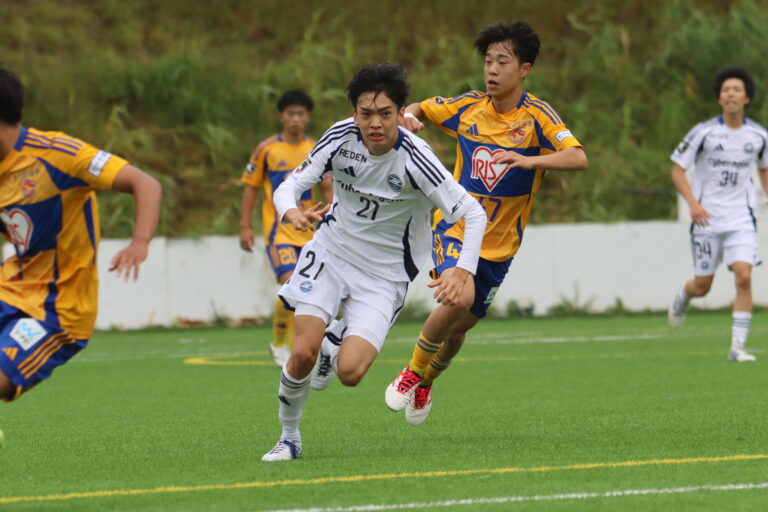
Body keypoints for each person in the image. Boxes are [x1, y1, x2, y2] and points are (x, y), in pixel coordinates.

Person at [261, 63, 487, 461]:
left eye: (385, 113)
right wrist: (290, 212)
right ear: (354, 113)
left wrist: (462, 270)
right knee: (302, 353)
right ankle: (289, 437)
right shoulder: (339, 137)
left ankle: (334, 343)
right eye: (366, 113)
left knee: (350, 373)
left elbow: (473, 213)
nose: (375, 123)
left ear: (400, 114)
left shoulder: (417, 158)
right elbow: (289, 186)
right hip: (331, 252)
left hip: (385, 275)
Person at [384, 21, 588, 425]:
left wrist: (531, 160)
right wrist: (407, 116)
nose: (492, 70)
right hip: (456, 226)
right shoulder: (469, 107)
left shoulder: (538, 116)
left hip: (500, 247)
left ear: (524, 69)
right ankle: (411, 371)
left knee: (459, 329)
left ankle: (426, 380)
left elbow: (577, 157)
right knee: (457, 299)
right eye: (488, 61)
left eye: (502, 61)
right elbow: (421, 107)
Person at [0, 67, 162, 405]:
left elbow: (145, 183)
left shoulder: (58, 153)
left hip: (58, 306)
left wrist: (140, 242)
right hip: (10, 287)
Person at [668, 66, 768, 362]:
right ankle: (685, 295)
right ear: (719, 97)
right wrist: (693, 204)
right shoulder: (704, 132)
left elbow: (764, 168)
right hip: (707, 220)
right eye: (726, 90)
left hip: (741, 219)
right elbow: (677, 170)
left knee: (744, 276)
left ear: (747, 97)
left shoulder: (759, 135)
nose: (731, 94)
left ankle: (737, 348)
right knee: (703, 286)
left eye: (737, 90)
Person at [239, 90, 332, 367]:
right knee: (292, 282)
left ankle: (300, 346)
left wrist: (335, 216)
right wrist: (245, 226)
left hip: (311, 234)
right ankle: (280, 343)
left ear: (308, 117)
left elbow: (328, 187)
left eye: (300, 114)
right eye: (290, 113)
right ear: (281, 116)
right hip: (278, 233)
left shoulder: (316, 148)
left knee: (309, 290)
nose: (295, 119)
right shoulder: (267, 149)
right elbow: (250, 187)